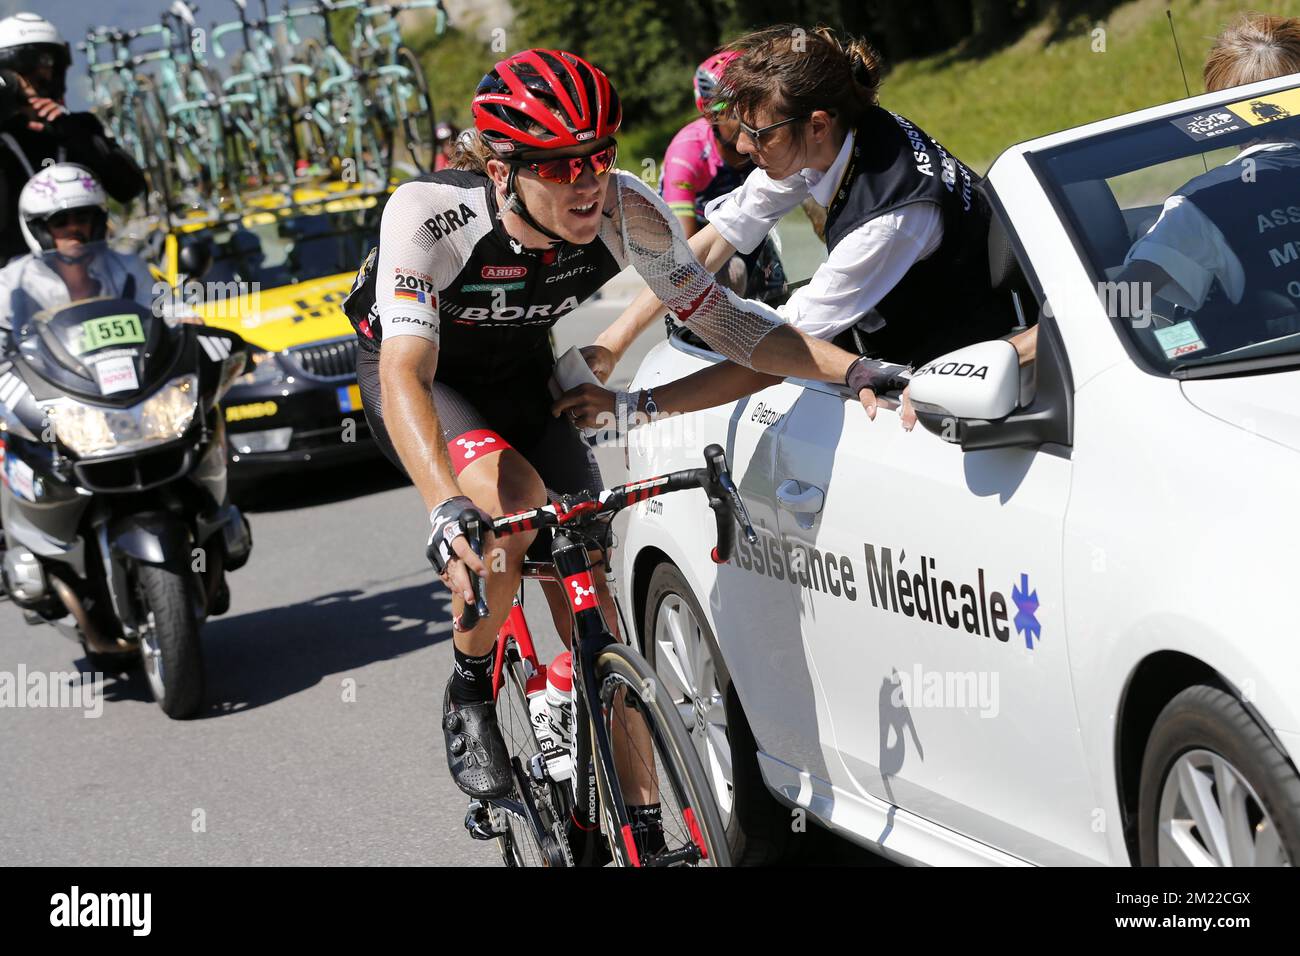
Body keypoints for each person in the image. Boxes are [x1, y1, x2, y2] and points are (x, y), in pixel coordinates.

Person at [341, 48, 875, 831]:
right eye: (558, 167)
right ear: (502, 172)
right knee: (510, 509)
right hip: (428, 385)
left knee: (592, 581)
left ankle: (645, 827)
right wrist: (444, 506)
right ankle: (468, 684)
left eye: (598, 156)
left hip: (520, 374)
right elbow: (405, 374)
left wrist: (860, 371)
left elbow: (735, 329)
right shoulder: (430, 216)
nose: (587, 180)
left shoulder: (629, 210)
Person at [559, 26, 1013, 430]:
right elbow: (710, 245)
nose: (739, 145)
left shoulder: (888, 220)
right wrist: (613, 342)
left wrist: (633, 407)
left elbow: (774, 355)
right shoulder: (828, 138)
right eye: (740, 128)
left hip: (956, 373)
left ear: (816, 125)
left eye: (757, 134)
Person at [0, 13, 145, 264]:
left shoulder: (80, 128)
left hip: (86, 269)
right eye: (28, 68)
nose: (42, 75)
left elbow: (129, 187)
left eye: (49, 64)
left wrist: (73, 133)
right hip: (13, 280)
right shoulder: (5, 139)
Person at [660, 51, 785, 300]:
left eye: (754, 104)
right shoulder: (686, 152)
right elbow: (685, 251)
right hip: (696, 236)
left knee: (777, 290)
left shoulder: (767, 134)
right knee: (731, 276)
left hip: (743, 225)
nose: (748, 119)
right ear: (711, 115)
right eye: (734, 111)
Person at [0, 163, 154, 351]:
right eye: (60, 221)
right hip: (43, 380)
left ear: (97, 223)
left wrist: (183, 316)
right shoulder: (11, 285)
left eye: (82, 218)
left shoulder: (129, 269)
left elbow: (168, 314)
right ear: (39, 230)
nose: (73, 228)